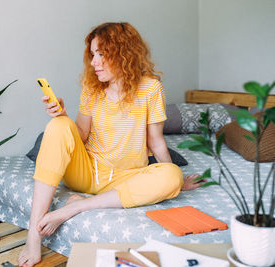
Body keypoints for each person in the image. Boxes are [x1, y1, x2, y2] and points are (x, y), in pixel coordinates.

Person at [18, 22, 203, 267]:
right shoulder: (91, 88)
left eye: (101, 54)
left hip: (126, 178)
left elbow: (155, 141)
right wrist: (62, 116)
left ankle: (75, 207)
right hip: (87, 174)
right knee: (57, 125)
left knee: (171, 174)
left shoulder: (151, 88)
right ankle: (34, 232)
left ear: (123, 52)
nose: (94, 62)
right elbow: (81, 133)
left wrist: (176, 182)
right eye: (92, 54)